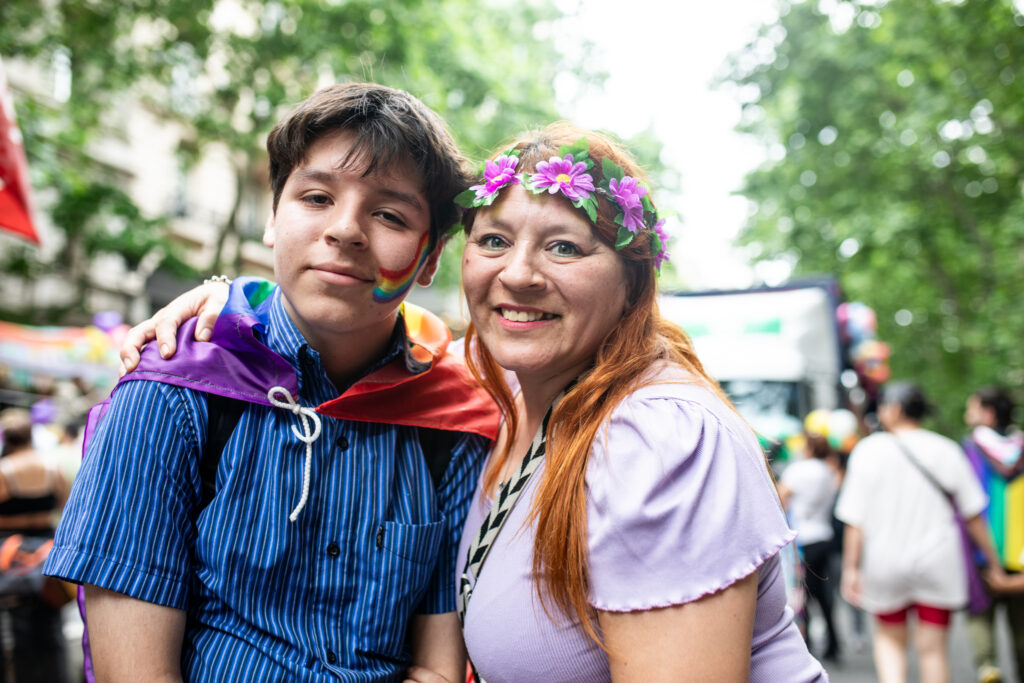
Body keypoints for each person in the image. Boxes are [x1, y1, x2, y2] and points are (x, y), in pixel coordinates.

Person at [129, 122, 828, 681]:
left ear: (632, 283)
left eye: (564, 246)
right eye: (493, 239)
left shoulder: (660, 436)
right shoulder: (503, 392)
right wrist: (232, 309)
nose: (518, 275)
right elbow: (358, 320)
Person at [43, 83, 500, 682]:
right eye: (315, 197)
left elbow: (437, 667)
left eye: (389, 214)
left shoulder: (453, 424)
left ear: (431, 257)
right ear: (272, 218)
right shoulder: (171, 390)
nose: (345, 230)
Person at [835, 381, 1002, 683]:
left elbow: (854, 520)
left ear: (895, 409)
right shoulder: (946, 449)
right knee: (933, 651)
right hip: (938, 561)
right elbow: (974, 516)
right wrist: (993, 562)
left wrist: (850, 568)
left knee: (890, 641)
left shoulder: (868, 450)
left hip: (885, 562)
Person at [0, 407, 72, 683]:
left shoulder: (4, 471)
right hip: (46, 554)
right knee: (51, 625)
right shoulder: (52, 468)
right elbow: (66, 510)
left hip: (10, 556)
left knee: (14, 628)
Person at [962, 386, 1024, 683]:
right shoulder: (1021, 447)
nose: (966, 415)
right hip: (1021, 553)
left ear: (988, 413)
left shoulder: (969, 449)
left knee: (980, 615)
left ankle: (988, 667)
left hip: (981, 551)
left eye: (971, 408)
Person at [778, 429, 841, 661]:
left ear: (809, 447)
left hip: (803, 540)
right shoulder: (828, 471)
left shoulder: (798, 470)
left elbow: (780, 497)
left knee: (802, 593)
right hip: (824, 535)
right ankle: (834, 642)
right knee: (824, 594)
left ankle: (807, 643)